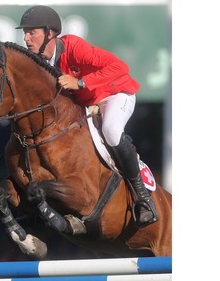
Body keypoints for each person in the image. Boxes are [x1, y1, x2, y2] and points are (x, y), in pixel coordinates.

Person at [15, 5, 158, 228]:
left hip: (116, 93)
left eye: (31, 32)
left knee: (111, 131)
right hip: (88, 103)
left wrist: (81, 82)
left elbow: (120, 67)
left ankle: (143, 198)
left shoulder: (73, 47)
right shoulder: (39, 63)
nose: (26, 38)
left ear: (50, 33)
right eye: (25, 33)